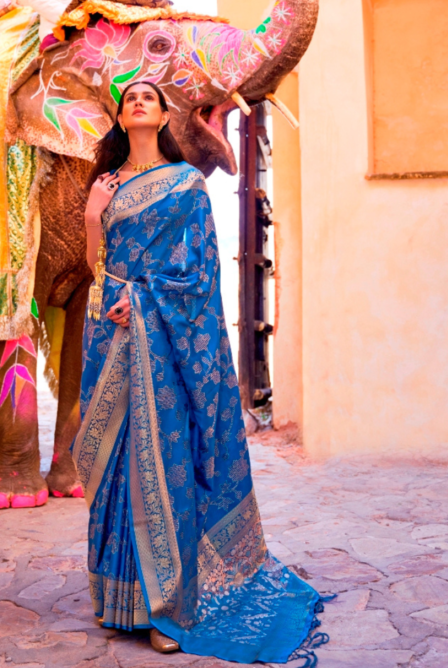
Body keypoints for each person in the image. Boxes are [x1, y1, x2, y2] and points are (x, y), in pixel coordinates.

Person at [72, 81, 331, 662]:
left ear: (165, 115)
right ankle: (122, 601)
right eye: (129, 97)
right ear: (120, 115)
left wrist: (142, 302)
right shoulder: (106, 187)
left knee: (162, 466)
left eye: (149, 97)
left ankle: (171, 608)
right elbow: (98, 268)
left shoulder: (187, 184)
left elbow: (200, 274)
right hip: (111, 341)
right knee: (114, 466)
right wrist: (93, 218)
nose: (138, 101)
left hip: (163, 346)